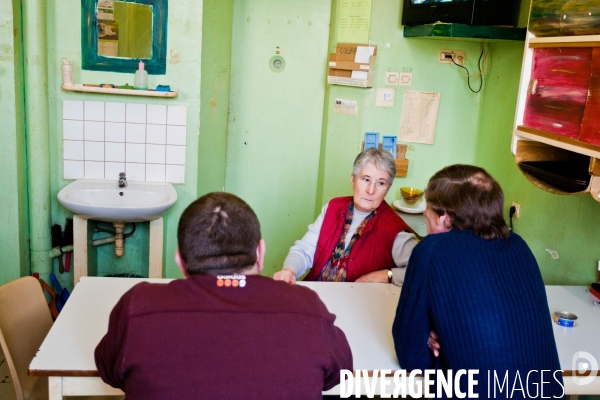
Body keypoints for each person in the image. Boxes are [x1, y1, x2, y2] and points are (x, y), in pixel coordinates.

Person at [95, 192, 352, 400]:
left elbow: (109, 371)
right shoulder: (307, 308)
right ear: (260, 253)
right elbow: (338, 375)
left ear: (180, 261)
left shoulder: (138, 306)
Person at [392, 164, 564, 398]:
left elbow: (410, 357)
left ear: (444, 218)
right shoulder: (519, 245)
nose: (425, 218)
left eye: (428, 213)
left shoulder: (431, 250)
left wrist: (433, 342)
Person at [274, 148, 417, 284]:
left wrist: (388, 275)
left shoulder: (395, 229)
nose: (371, 190)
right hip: (317, 295)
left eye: (380, 183)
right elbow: (304, 251)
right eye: (365, 179)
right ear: (352, 180)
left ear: (388, 189)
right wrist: (290, 270)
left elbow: (422, 272)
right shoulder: (333, 207)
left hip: (359, 304)